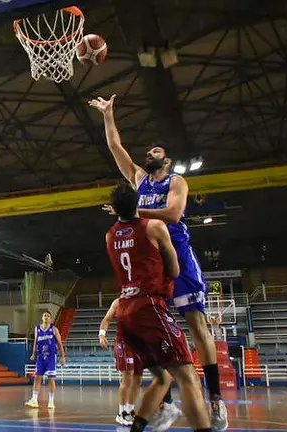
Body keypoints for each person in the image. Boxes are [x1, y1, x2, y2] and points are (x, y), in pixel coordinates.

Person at [90, 94, 227, 431]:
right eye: (148, 151)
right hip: (152, 265)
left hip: (178, 255)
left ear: (167, 159)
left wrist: (135, 213)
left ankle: (215, 399)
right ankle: (165, 404)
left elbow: (174, 214)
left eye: (154, 151)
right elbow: (115, 148)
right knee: (154, 332)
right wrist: (108, 115)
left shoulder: (175, 181)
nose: (147, 154)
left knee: (196, 326)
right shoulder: (138, 179)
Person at [104, 182, 211, 432]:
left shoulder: (109, 235)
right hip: (149, 306)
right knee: (188, 377)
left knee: (163, 377)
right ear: (139, 204)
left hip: (125, 312)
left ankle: (139, 426)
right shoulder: (154, 226)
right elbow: (175, 270)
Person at [100, 298, 145, 426]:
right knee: (128, 377)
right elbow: (107, 319)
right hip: (123, 343)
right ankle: (121, 413)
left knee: (138, 379)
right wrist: (102, 334)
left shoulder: (143, 301)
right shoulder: (118, 302)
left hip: (139, 344)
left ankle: (130, 410)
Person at [25, 311, 66, 409]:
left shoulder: (54, 329)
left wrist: (62, 356)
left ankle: (51, 401)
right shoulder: (37, 329)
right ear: (42, 318)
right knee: (37, 378)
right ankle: (34, 400)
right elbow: (35, 342)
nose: (46, 317)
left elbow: (60, 343)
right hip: (40, 357)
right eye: (45, 316)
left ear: (51, 319)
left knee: (51, 379)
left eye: (48, 316)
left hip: (51, 356)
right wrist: (33, 353)